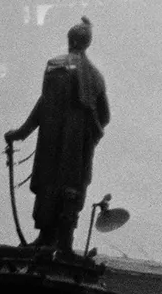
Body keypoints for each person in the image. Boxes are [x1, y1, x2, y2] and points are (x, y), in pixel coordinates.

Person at [6, 17, 110, 251]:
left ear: (70, 40)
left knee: (50, 184)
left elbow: (45, 104)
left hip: (54, 145)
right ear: (87, 43)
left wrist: (21, 133)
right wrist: (87, 135)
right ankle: (63, 241)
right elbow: (105, 116)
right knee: (72, 188)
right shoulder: (96, 77)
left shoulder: (56, 66)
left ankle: (46, 238)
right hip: (79, 150)